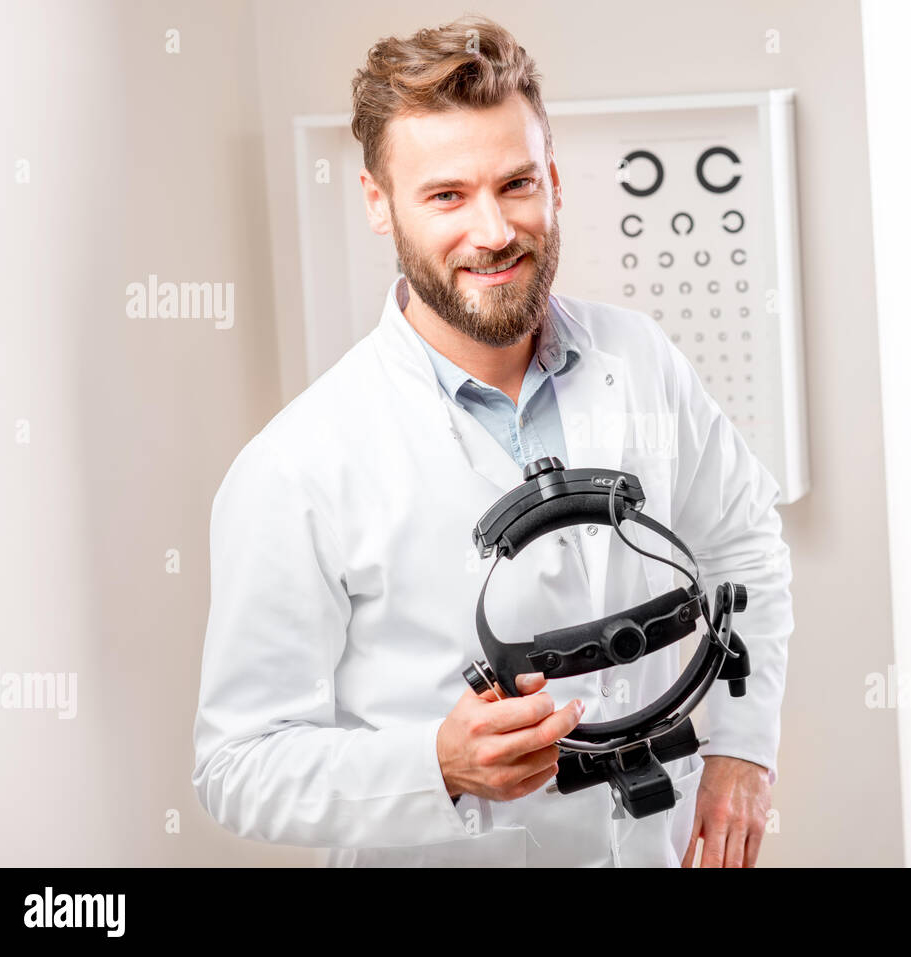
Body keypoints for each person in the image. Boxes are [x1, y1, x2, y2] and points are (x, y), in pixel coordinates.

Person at [192, 15, 793, 867]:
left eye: (516, 184)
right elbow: (237, 763)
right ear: (378, 203)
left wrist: (742, 745)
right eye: (446, 195)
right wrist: (436, 764)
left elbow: (744, 543)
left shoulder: (640, 358)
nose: (494, 231)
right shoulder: (297, 466)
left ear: (552, 178)